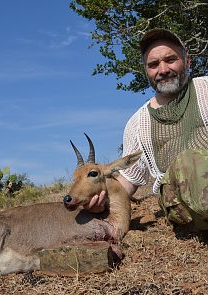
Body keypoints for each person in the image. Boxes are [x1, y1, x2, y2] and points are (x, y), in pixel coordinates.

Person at [84, 28, 208, 231]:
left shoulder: (205, 89)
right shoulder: (137, 123)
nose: (163, 69)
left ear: (187, 61)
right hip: (182, 206)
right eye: (153, 65)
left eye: (170, 59)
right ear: (146, 71)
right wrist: (99, 200)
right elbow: (127, 180)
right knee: (189, 162)